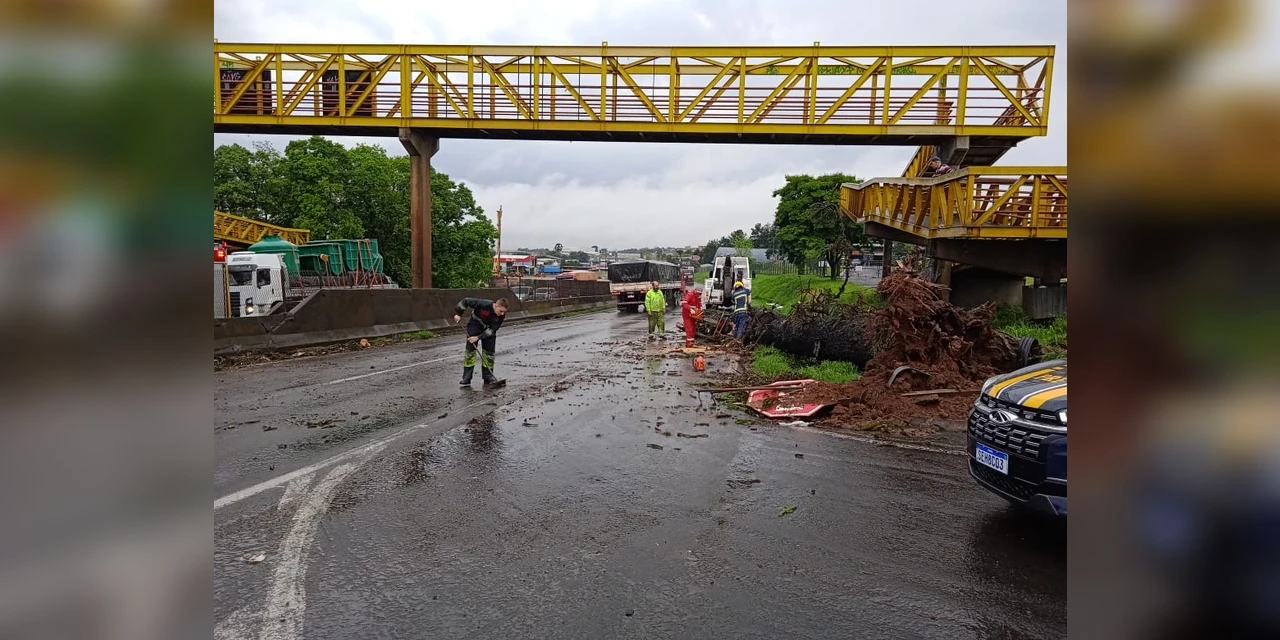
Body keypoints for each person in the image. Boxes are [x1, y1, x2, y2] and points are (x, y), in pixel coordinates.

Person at [452, 297, 509, 387]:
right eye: (501, 311)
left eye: (504, 312)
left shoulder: (501, 316)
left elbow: (492, 330)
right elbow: (465, 301)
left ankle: (488, 377)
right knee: (470, 351)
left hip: (488, 329)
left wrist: (478, 337)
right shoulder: (483, 304)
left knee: (489, 353)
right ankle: (466, 377)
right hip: (475, 325)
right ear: (496, 306)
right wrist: (458, 314)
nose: (502, 314)